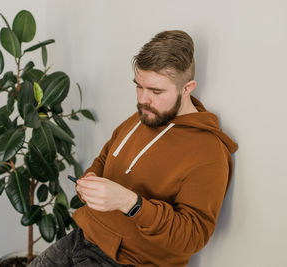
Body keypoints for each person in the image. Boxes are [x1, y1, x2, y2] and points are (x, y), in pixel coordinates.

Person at [29, 30, 238, 267]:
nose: (143, 99)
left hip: (131, 260)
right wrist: (90, 181)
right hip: (84, 236)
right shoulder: (144, 116)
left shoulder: (209, 152)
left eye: (156, 91)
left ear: (187, 88)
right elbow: (106, 158)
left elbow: (192, 237)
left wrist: (131, 203)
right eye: (139, 86)